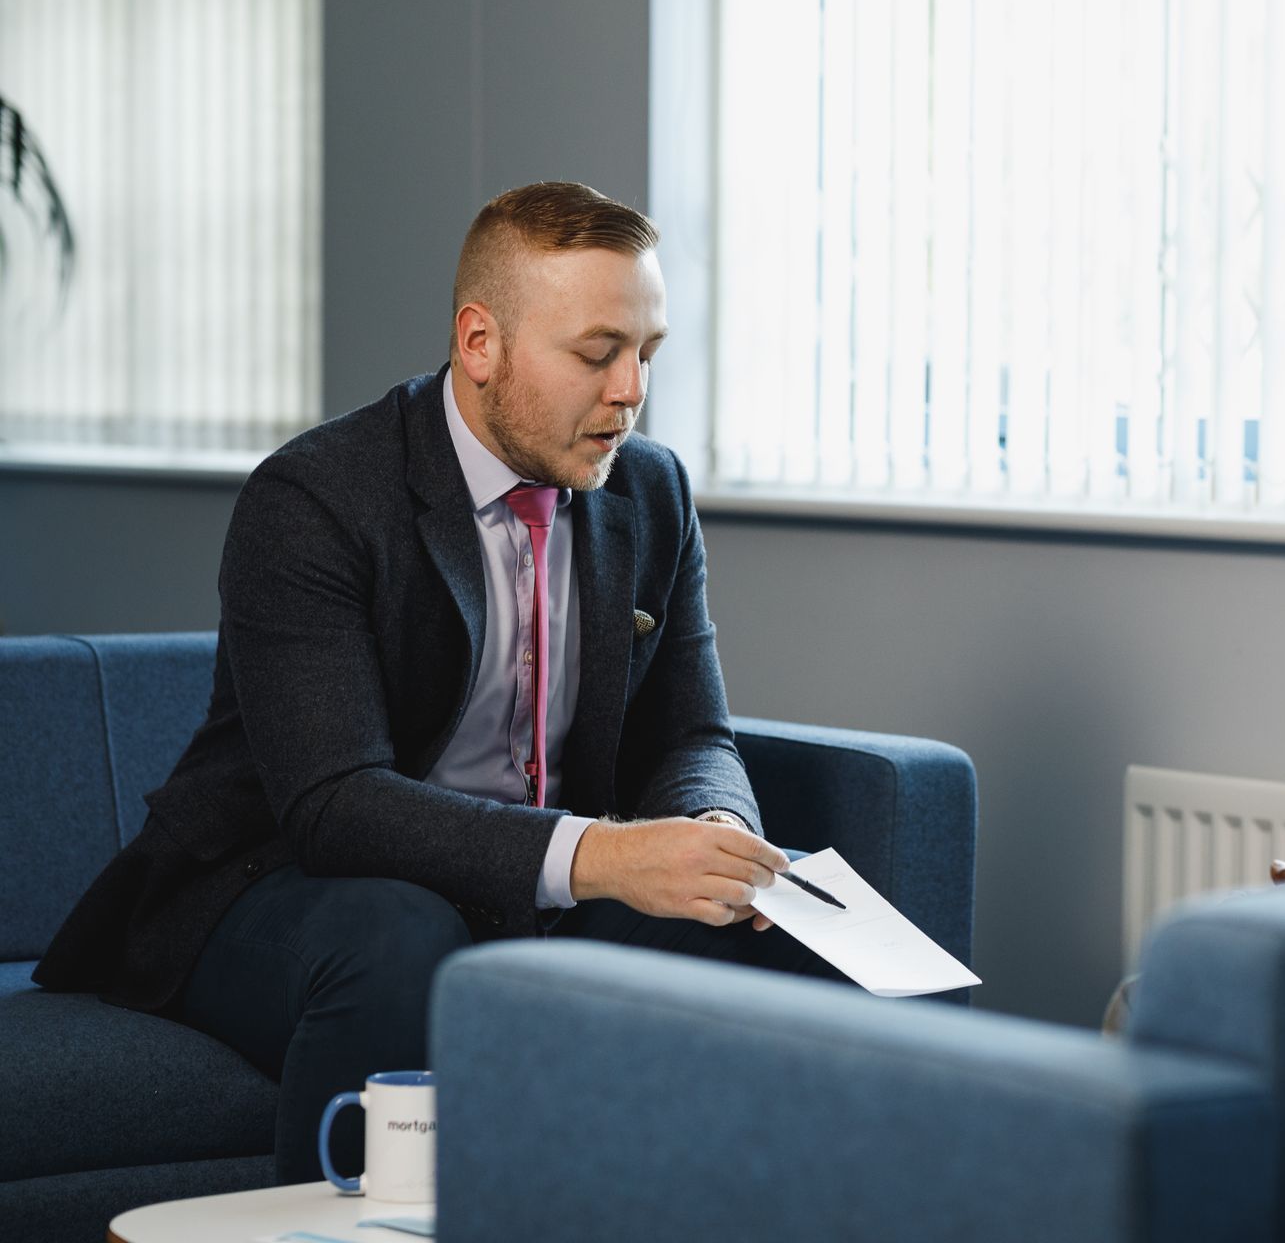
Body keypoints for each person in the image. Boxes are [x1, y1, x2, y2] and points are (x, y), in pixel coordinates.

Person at [33, 181, 836, 1182]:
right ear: (480, 342)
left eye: (648, 353)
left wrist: (715, 829)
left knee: (791, 918)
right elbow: (334, 804)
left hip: (526, 876)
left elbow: (690, 734)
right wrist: (606, 856)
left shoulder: (649, 490)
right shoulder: (317, 497)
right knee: (400, 932)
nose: (632, 389)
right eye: (597, 353)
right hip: (275, 880)